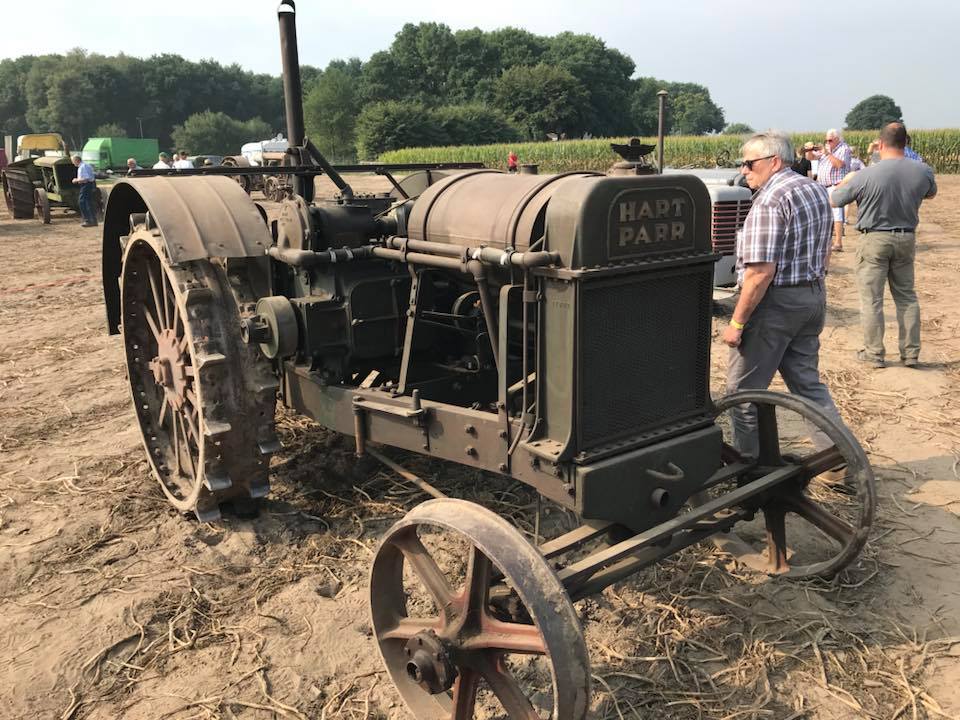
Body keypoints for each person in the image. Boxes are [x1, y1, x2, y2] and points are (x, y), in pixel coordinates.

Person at [722, 131, 844, 458]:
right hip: (812, 297)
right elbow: (825, 249)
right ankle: (838, 460)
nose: (743, 170)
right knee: (807, 386)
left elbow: (760, 273)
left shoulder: (770, 199)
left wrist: (736, 322)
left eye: (749, 163)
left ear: (774, 161)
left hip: (775, 305)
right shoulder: (815, 189)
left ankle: (749, 470)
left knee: (742, 392)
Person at [831, 122, 937, 369]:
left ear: (879, 144)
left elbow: (836, 200)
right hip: (906, 238)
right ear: (906, 142)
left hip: (874, 239)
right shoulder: (922, 171)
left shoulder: (865, 174)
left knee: (872, 299)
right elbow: (930, 193)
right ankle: (911, 354)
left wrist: (847, 180)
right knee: (906, 297)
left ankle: (874, 353)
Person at [815, 128, 852, 252]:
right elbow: (810, 157)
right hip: (823, 186)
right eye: (826, 140)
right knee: (824, 214)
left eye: (830, 140)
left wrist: (828, 153)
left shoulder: (843, 149)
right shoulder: (827, 148)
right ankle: (825, 240)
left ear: (837, 139)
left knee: (837, 214)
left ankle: (838, 242)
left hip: (836, 185)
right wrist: (809, 149)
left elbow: (839, 165)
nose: (827, 142)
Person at [71, 154, 98, 227]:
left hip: (86, 185)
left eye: (73, 161)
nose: (73, 163)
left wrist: (76, 180)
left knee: (82, 202)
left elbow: (86, 178)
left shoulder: (82, 167)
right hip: (89, 185)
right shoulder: (86, 165)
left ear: (76, 160)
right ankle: (93, 220)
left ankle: (88, 221)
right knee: (88, 203)